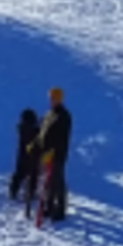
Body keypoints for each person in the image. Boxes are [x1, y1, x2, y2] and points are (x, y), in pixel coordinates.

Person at [29, 87, 72, 222]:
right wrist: (35, 144)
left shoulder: (63, 116)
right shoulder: (49, 114)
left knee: (57, 181)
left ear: (59, 99)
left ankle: (60, 209)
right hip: (46, 153)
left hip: (57, 154)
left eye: (53, 98)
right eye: (50, 98)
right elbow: (42, 132)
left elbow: (60, 137)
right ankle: (48, 206)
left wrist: (53, 150)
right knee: (48, 182)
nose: (51, 100)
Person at [11, 107, 42, 212]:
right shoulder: (33, 130)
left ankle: (13, 191)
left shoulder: (21, 129)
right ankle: (30, 193)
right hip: (32, 156)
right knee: (33, 175)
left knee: (19, 174)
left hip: (22, 156)